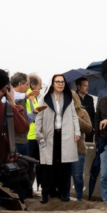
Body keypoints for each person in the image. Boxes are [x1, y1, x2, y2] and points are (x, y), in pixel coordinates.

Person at [35, 74, 80, 203]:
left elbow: (73, 116)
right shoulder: (44, 98)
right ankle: (45, 193)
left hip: (65, 135)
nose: (60, 84)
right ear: (52, 84)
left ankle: (63, 192)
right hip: (49, 135)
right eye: (57, 82)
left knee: (64, 166)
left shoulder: (69, 98)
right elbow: (39, 116)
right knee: (48, 165)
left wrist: (77, 131)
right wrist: (38, 133)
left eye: (62, 82)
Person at [68, 92, 93, 201]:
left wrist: (76, 118)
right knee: (65, 177)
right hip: (63, 150)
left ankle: (79, 198)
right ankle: (65, 197)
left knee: (77, 176)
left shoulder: (82, 112)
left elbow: (88, 129)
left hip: (78, 150)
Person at [26, 74, 44, 196]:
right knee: (31, 165)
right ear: (33, 85)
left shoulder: (31, 95)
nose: (41, 88)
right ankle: (29, 190)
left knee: (32, 165)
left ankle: (31, 189)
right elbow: (35, 115)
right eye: (39, 85)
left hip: (32, 134)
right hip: (31, 136)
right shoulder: (29, 96)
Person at [74, 77, 96, 142]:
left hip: (89, 130)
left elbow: (92, 113)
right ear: (78, 86)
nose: (87, 88)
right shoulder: (73, 98)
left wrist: (93, 127)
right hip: (78, 130)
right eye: (84, 86)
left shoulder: (90, 98)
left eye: (87, 86)